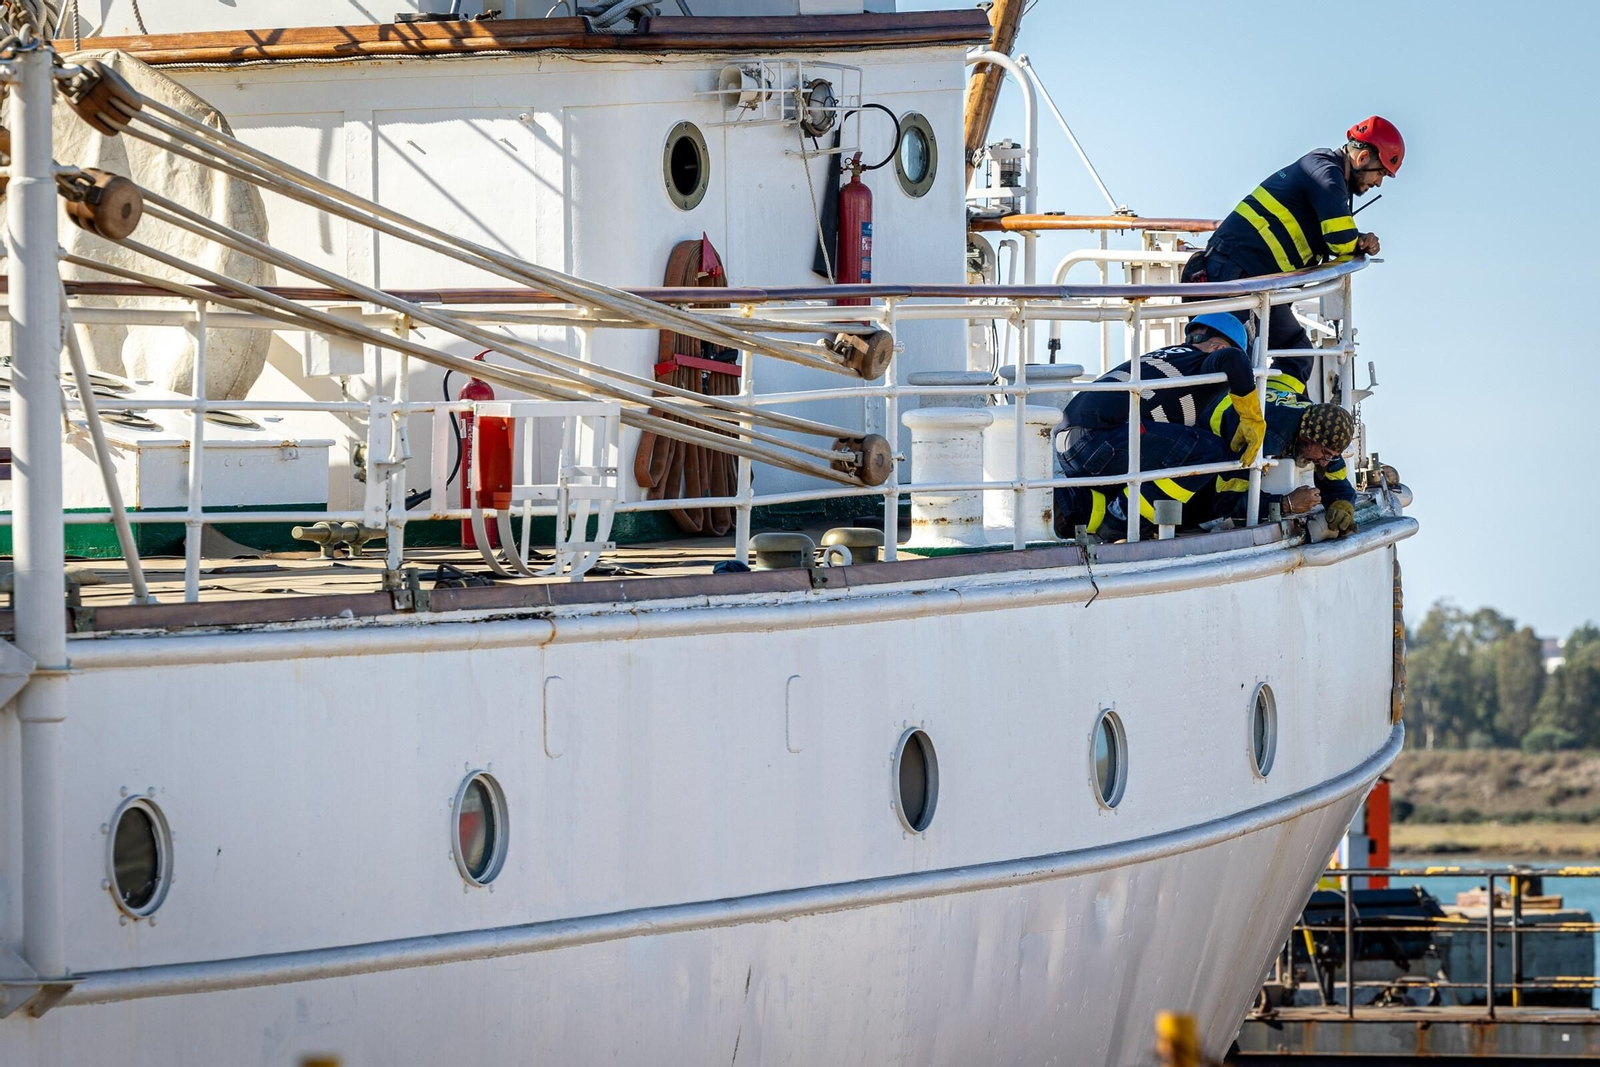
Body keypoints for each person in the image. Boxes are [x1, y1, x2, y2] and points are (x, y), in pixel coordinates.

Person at [1183, 116, 1405, 384]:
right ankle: (1223, 410)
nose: (1379, 183)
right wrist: (1360, 241)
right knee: (1230, 359)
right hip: (1233, 273)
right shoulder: (1325, 172)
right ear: (1363, 158)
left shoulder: (1328, 174)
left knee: (1298, 354)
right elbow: (1339, 239)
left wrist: (1355, 239)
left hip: (1256, 281)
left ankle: (1278, 404)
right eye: (1380, 173)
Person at [1204, 396, 1358, 535]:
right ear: (1307, 439)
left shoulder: (1319, 424)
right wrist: (1286, 503)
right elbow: (1225, 502)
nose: (1325, 462)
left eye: (1332, 456)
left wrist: (1343, 504)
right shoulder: (1267, 441)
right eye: (1326, 454)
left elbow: (1338, 483)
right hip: (1212, 422)